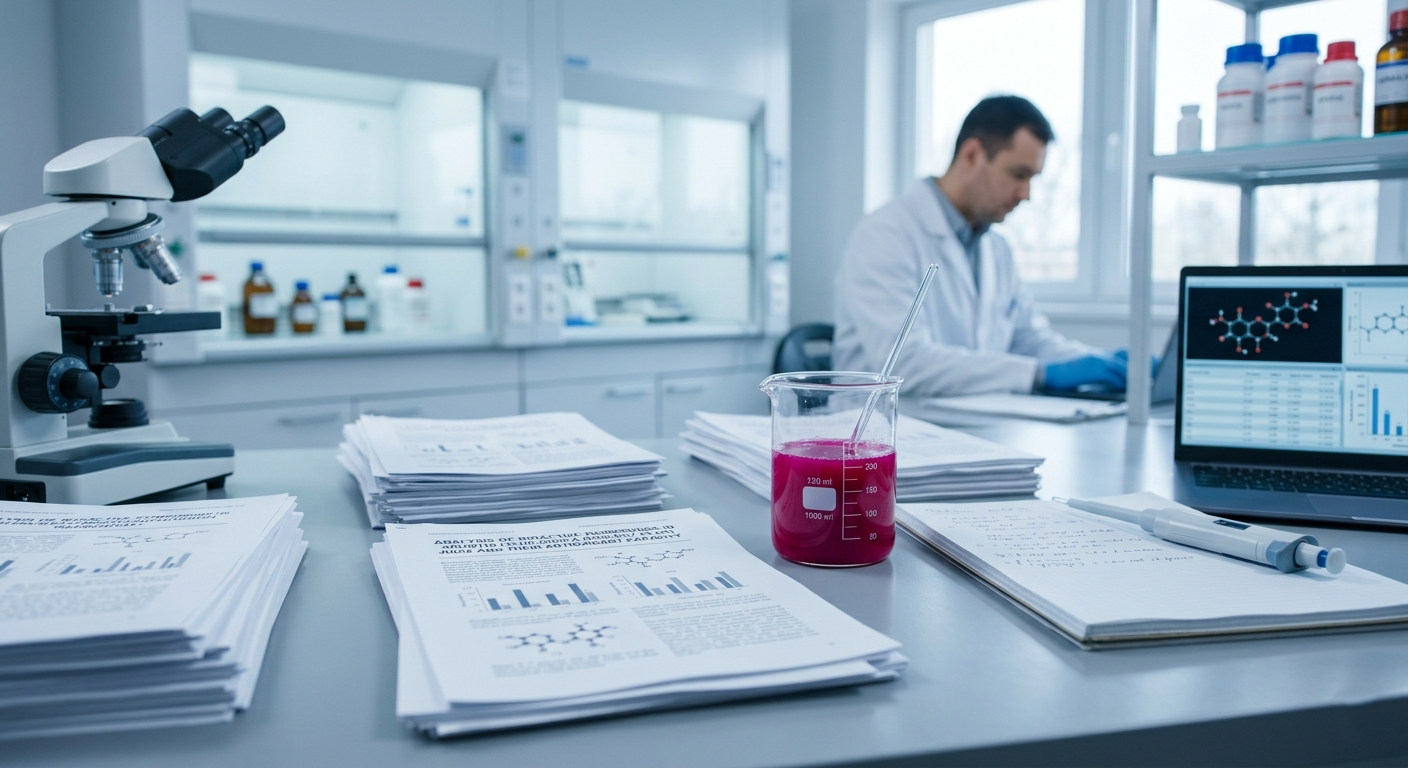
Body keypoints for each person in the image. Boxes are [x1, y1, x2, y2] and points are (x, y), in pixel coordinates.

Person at [832, 95, 1129, 396]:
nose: (1025, 194)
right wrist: (1041, 373)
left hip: (972, 422)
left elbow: (1027, 340)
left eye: (1032, 178)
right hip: (882, 431)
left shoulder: (995, 248)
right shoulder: (886, 234)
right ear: (972, 154)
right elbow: (905, 364)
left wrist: (1102, 361)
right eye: (1019, 174)